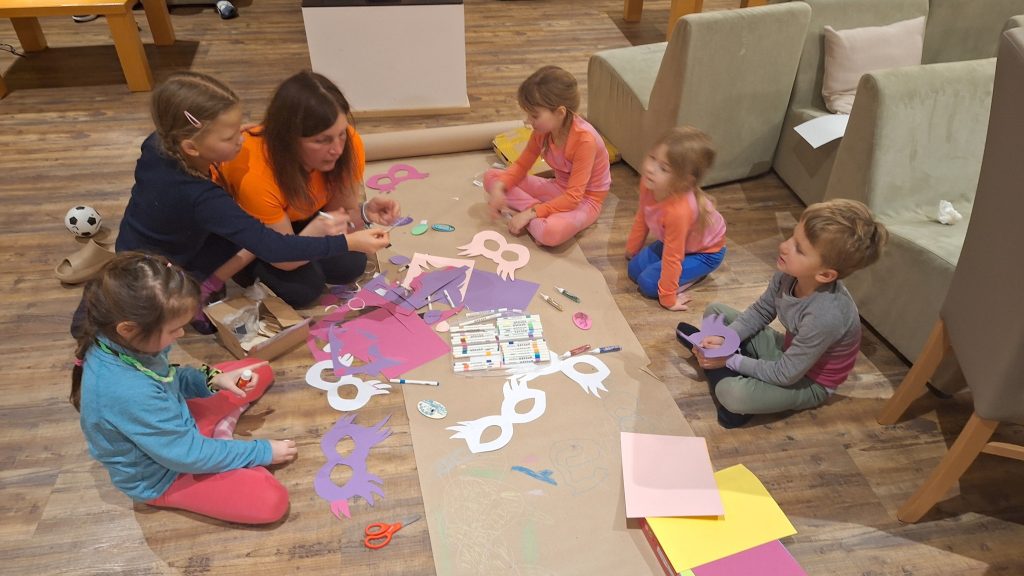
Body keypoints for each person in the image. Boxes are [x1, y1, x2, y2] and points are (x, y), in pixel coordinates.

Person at [111, 71, 389, 333]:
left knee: (346, 265)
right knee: (289, 287)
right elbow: (275, 248)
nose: (242, 139)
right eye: (230, 136)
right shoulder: (205, 198)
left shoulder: (159, 142)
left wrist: (361, 214)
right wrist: (347, 241)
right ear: (191, 147)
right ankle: (201, 285)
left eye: (239, 128)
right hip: (162, 263)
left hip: (161, 237)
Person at [71, 253, 297, 524]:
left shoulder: (124, 342)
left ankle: (219, 436)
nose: (181, 335)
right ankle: (219, 441)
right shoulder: (128, 392)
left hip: (173, 427)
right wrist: (261, 452)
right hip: (165, 475)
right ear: (129, 329)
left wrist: (213, 380)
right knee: (270, 501)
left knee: (257, 370)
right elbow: (187, 456)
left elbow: (167, 377)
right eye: (174, 329)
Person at [676, 199, 888, 428]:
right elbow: (760, 311)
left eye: (799, 249)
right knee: (715, 311)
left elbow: (786, 374)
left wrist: (729, 359)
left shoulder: (827, 316)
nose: (785, 246)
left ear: (825, 275)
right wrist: (725, 340)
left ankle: (718, 366)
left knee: (733, 394)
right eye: (792, 237)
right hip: (788, 353)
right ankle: (722, 362)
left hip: (808, 381)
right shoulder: (788, 274)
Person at [219, 71, 401, 308]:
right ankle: (248, 272)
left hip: (301, 219)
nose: (337, 149)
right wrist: (319, 230)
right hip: (259, 237)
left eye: (340, 134)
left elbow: (341, 215)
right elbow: (284, 256)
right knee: (302, 290)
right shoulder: (255, 175)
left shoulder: (349, 144)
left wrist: (364, 213)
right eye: (322, 140)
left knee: (350, 266)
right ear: (289, 139)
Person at [483, 65, 611, 247]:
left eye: (534, 116)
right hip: (559, 188)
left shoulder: (585, 141)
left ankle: (535, 215)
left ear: (560, 113)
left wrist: (530, 213)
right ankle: (538, 215)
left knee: (550, 232)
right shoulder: (542, 131)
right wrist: (500, 187)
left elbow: (573, 198)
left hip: (585, 200)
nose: (528, 121)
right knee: (492, 178)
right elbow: (521, 166)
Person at [626, 127, 727, 311]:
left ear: (685, 181)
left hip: (706, 253)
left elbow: (673, 257)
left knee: (648, 284)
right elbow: (643, 215)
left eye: (663, 168)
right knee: (633, 269)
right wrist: (633, 249)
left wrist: (669, 298)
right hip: (679, 243)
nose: (650, 168)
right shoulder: (650, 183)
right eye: (652, 157)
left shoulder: (679, 211)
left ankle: (696, 274)